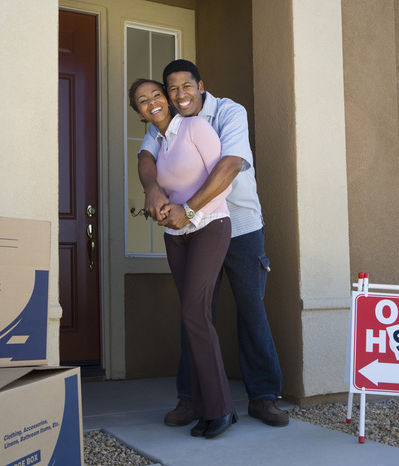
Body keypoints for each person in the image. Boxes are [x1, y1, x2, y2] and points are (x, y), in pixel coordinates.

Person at [137, 59, 288, 428]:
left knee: (251, 309)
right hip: (194, 230)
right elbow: (146, 156)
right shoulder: (170, 122)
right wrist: (153, 187)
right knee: (196, 311)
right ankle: (191, 398)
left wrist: (188, 209)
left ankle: (264, 397)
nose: (179, 95)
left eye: (186, 87)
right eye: (172, 89)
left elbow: (232, 164)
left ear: (200, 85)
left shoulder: (229, 112)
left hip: (240, 224)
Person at [128, 78, 237, 439]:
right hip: (176, 238)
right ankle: (208, 408)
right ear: (140, 112)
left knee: (195, 313)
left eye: (156, 95)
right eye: (143, 101)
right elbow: (153, 180)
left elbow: (225, 182)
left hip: (209, 227)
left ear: (168, 99)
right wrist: (158, 202)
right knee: (192, 318)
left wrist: (189, 212)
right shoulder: (155, 145)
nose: (152, 103)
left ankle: (220, 408)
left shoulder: (195, 126)